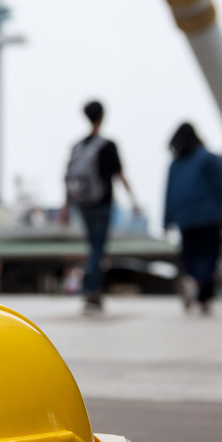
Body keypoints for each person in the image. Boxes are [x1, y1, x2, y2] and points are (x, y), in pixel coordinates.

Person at [60, 100, 140, 313]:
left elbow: (67, 178)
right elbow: (120, 175)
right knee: (98, 247)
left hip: (83, 204)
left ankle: (90, 288)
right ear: (102, 117)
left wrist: (65, 207)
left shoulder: (77, 147)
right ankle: (93, 290)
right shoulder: (108, 145)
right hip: (102, 202)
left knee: (92, 247)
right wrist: (134, 201)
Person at [163, 122, 222, 315]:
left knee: (190, 255)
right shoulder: (208, 158)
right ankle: (202, 296)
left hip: (184, 218)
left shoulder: (175, 164)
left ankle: (191, 281)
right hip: (209, 216)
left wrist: (166, 220)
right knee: (209, 256)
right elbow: (221, 187)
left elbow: (168, 194)